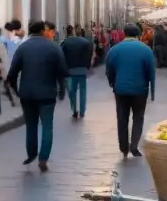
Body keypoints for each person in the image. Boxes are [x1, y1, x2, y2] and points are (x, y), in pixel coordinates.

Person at [6, 20, 69, 172]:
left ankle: (31, 154)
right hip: (47, 94)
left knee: (31, 125)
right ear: (42, 31)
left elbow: (12, 73)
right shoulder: (53, 47)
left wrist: (16, 90)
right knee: (47, 125)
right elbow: (62, 71)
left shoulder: (23, 48)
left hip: (27, 94)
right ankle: (43, 158)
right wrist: (62, 89)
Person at [105, 23, 156, 158]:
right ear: (138, 34)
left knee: (122, 117)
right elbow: (151, 71)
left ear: (124, 33)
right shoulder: (146, 50)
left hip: (120, 89)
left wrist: (112, 83)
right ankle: (134, 145)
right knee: (138, 117)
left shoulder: (114, 50)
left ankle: (123, 147)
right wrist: (152, 91)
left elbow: (109, 69)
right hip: (140, 90)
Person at [61, 25, 94, 120]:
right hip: (82, 70)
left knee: (72, 91)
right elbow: (89, 53)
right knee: (83, 91)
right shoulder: (86, 42)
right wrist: (87, 65)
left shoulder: (65, 43)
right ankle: (82, 111)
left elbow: (61, 56)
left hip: (70, 70)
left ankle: (74, 110)